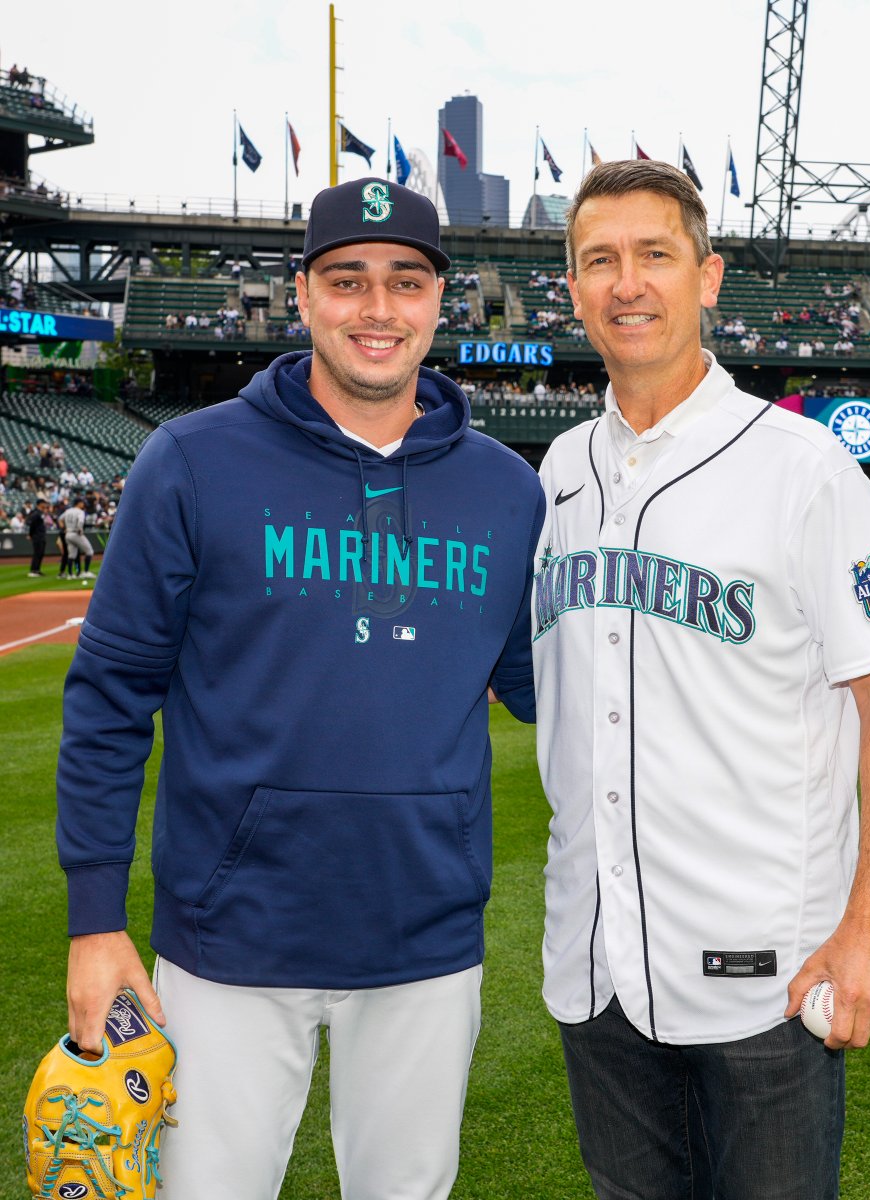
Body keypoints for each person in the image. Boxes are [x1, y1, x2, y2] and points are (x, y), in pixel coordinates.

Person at [56, 177, 545, 1200]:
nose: (378, 309)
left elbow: (550, 690)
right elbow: (109, 696)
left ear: (441, 300)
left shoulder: (508, 492)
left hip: (426, 942)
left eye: (405, 282)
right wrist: (97, 924)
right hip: (230, 943)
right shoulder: (191, 462)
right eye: (348, 280)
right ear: (303, 294)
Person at [531, 160, 870, 1200]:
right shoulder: (559, 472)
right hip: (599, 964)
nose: (628, 283)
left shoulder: (803, 468)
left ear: (706, 279)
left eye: (655, 256)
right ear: (572, 288)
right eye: (600, 261)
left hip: (767, 973)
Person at [60, 496, 95, 578]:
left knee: (71, 555)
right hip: (76, 533)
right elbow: (80, 521)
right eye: (82, 503)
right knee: (90, 551)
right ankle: (86, 572)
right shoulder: (80, 512)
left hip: (68, 534)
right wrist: (80, 530)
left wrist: (64, 528)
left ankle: (70, 574)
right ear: (78, 503)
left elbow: (60, 519)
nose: (83, 504)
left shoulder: (68, 511)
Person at [26, 499, 50, 576]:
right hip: (37, 535)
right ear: (39, 504)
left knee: (41, 553)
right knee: (37, 553)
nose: (45, 505)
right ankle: (33, 570)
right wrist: (30, 534)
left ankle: (37, 569)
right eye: (44, 503)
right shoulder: (36, 513)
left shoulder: (40, 513)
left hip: (41, 535)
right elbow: (31, 524)